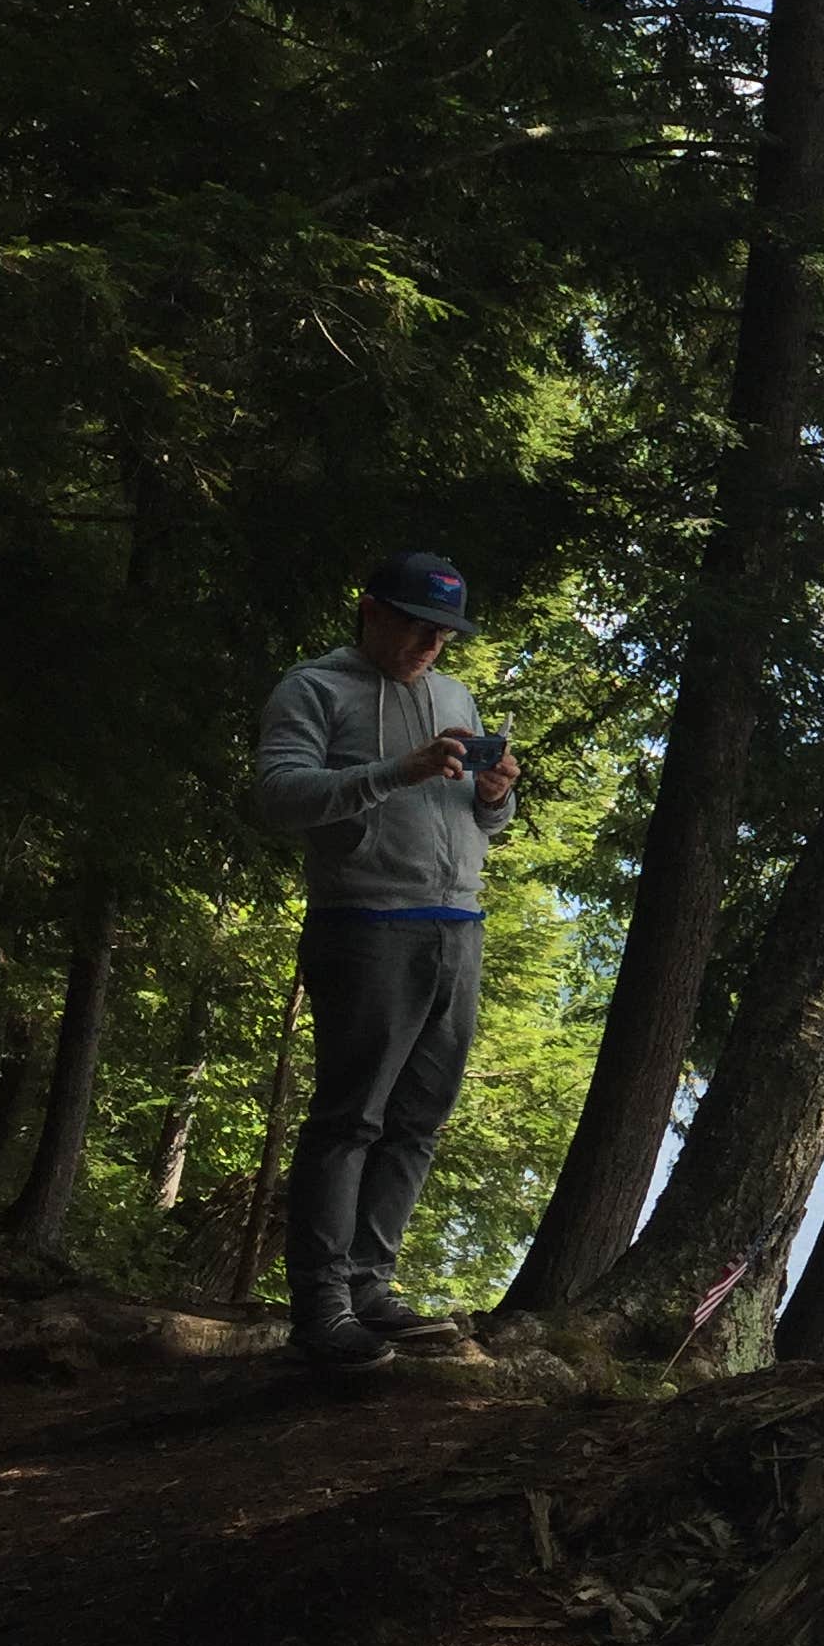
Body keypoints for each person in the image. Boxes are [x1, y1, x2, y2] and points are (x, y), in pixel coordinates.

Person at [252, 552, 523, 1368]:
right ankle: (322, 1307)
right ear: (369, 610)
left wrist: (495, 794)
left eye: (443, 631)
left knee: (417, 1123)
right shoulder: (313, 689)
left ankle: (371, 1285)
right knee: (350, 1119)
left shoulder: (454, 696)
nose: (431, 644)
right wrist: (390, 772)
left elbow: (486, 827)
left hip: (459, 925)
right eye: (415, 624)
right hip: (364, 922)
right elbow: (277, 796)